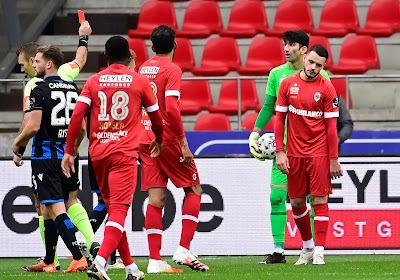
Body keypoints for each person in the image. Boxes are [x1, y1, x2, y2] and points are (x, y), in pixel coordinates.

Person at [62, 35, 164, 280]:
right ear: (129, 56)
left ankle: (131, 268)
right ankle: (99, 263)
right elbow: (157, 116)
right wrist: (159, 139)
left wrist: (69, 150)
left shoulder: (93, 81)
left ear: (106, 57)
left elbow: (77, 117)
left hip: (97, 155)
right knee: (118, 211)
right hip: (124, 154)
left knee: (112, 209)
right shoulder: (139, 81)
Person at [14, 20, 100, 272]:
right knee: (71, 201)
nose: (26, 68)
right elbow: (80, 60)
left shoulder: (35, 85)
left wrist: (18, 146)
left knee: (47, 206)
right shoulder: (69, 79)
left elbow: (31, 123)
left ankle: (74, 254)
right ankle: (58, 256)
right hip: (69, 155)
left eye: (27, 63)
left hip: (46, 155)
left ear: (39, 62)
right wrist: (83, 37)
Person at [248, 30, 330, 264]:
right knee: (277, 196)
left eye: (291, 44)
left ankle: (314, 248)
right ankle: (278, 250)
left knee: (314, 200)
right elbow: (268, 107)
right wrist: (255, 133)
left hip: (313, 149)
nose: (286, 48)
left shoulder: (323, 77)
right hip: (285, 148)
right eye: (284, 43)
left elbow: (329, 116)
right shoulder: (277, 74)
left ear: (304, 50)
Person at [138, 24, 209, 273]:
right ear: (175, 45)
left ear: (153, 47)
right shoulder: (172, 69)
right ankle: (183, 248)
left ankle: (155, 260)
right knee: (195, 189)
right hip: (166, 138)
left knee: (156, 199)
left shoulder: (143, 68)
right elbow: (172, 109)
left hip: (144, 137)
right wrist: (183, 143)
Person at [274, 44, 343, 265]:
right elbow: (279, 120)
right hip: (293, 152)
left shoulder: (327, 88)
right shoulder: (287, 84)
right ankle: (307, 246)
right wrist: (279, 151)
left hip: (319, 152)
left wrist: (334, 159)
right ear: (305, 57)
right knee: (296, 202)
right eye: (311, 62)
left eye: (319, 65)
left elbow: (331, 128)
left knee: (320, 199)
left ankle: (320, 251)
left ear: (324, 66)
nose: (313, 67)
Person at [80, 49, 138, 270]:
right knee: (114, 207)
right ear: (128, 61)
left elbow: (82, 119)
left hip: (95, 151)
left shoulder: (95, 85)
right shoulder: (131, 87)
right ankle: (96, 247)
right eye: (133, 62)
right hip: (119, 151)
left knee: (108, 205)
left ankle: (127, 265)